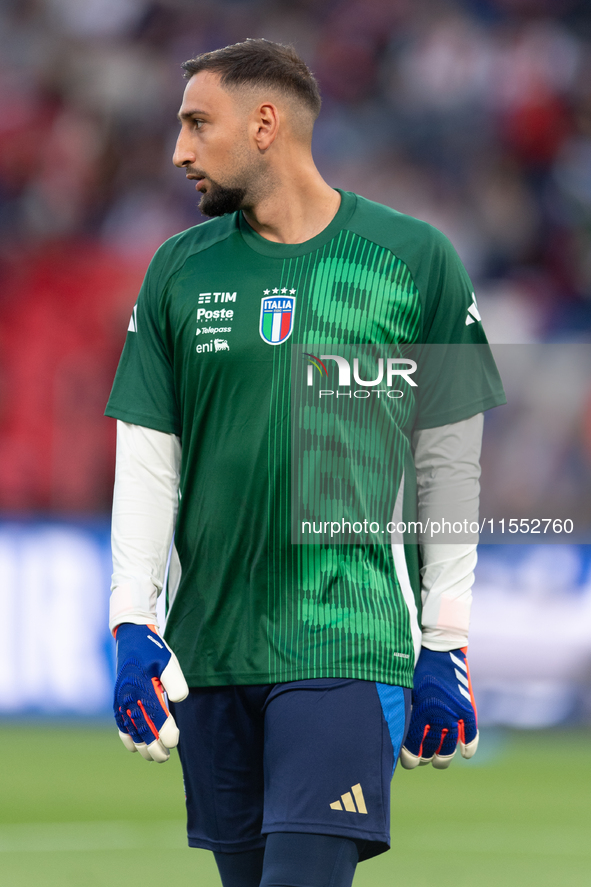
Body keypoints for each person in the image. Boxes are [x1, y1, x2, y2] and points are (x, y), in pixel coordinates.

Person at [106, 39, 505, 887]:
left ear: (263, 124)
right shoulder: (176, 271)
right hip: (210, 650)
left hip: (346, 633)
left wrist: (448, 640)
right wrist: (131, 623)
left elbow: (448, 464)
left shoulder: (413, 258)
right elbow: (147, 457)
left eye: (195, 124)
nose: (177, 151)